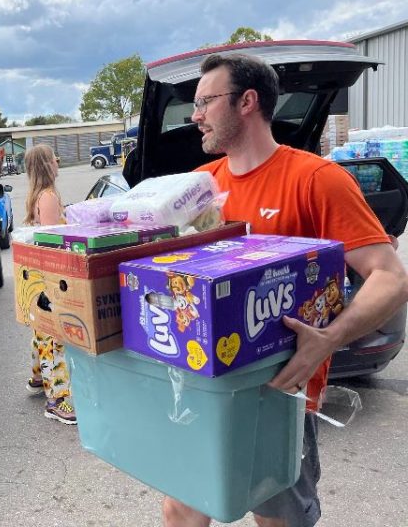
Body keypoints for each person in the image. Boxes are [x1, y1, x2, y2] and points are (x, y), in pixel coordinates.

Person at [162, 53, 408, 527]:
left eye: (205, 102)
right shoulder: (199, 188)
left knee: (278, 519)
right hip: (201, 387)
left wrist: (330, 339)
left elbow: (391, 277)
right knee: (181, 509)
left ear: (247, 102)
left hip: (281, 398)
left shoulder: (317, 179)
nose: (195, 117)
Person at [22, 144, 77, 425]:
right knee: (54, 336)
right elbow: (53, 242)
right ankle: (56, 400)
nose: (58, 162)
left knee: (41, 329)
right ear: (47, 165)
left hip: (37, 277)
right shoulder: (49, 197)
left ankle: (36, 377)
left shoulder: (37, 196)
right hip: (50, 277)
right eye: (54, 158)